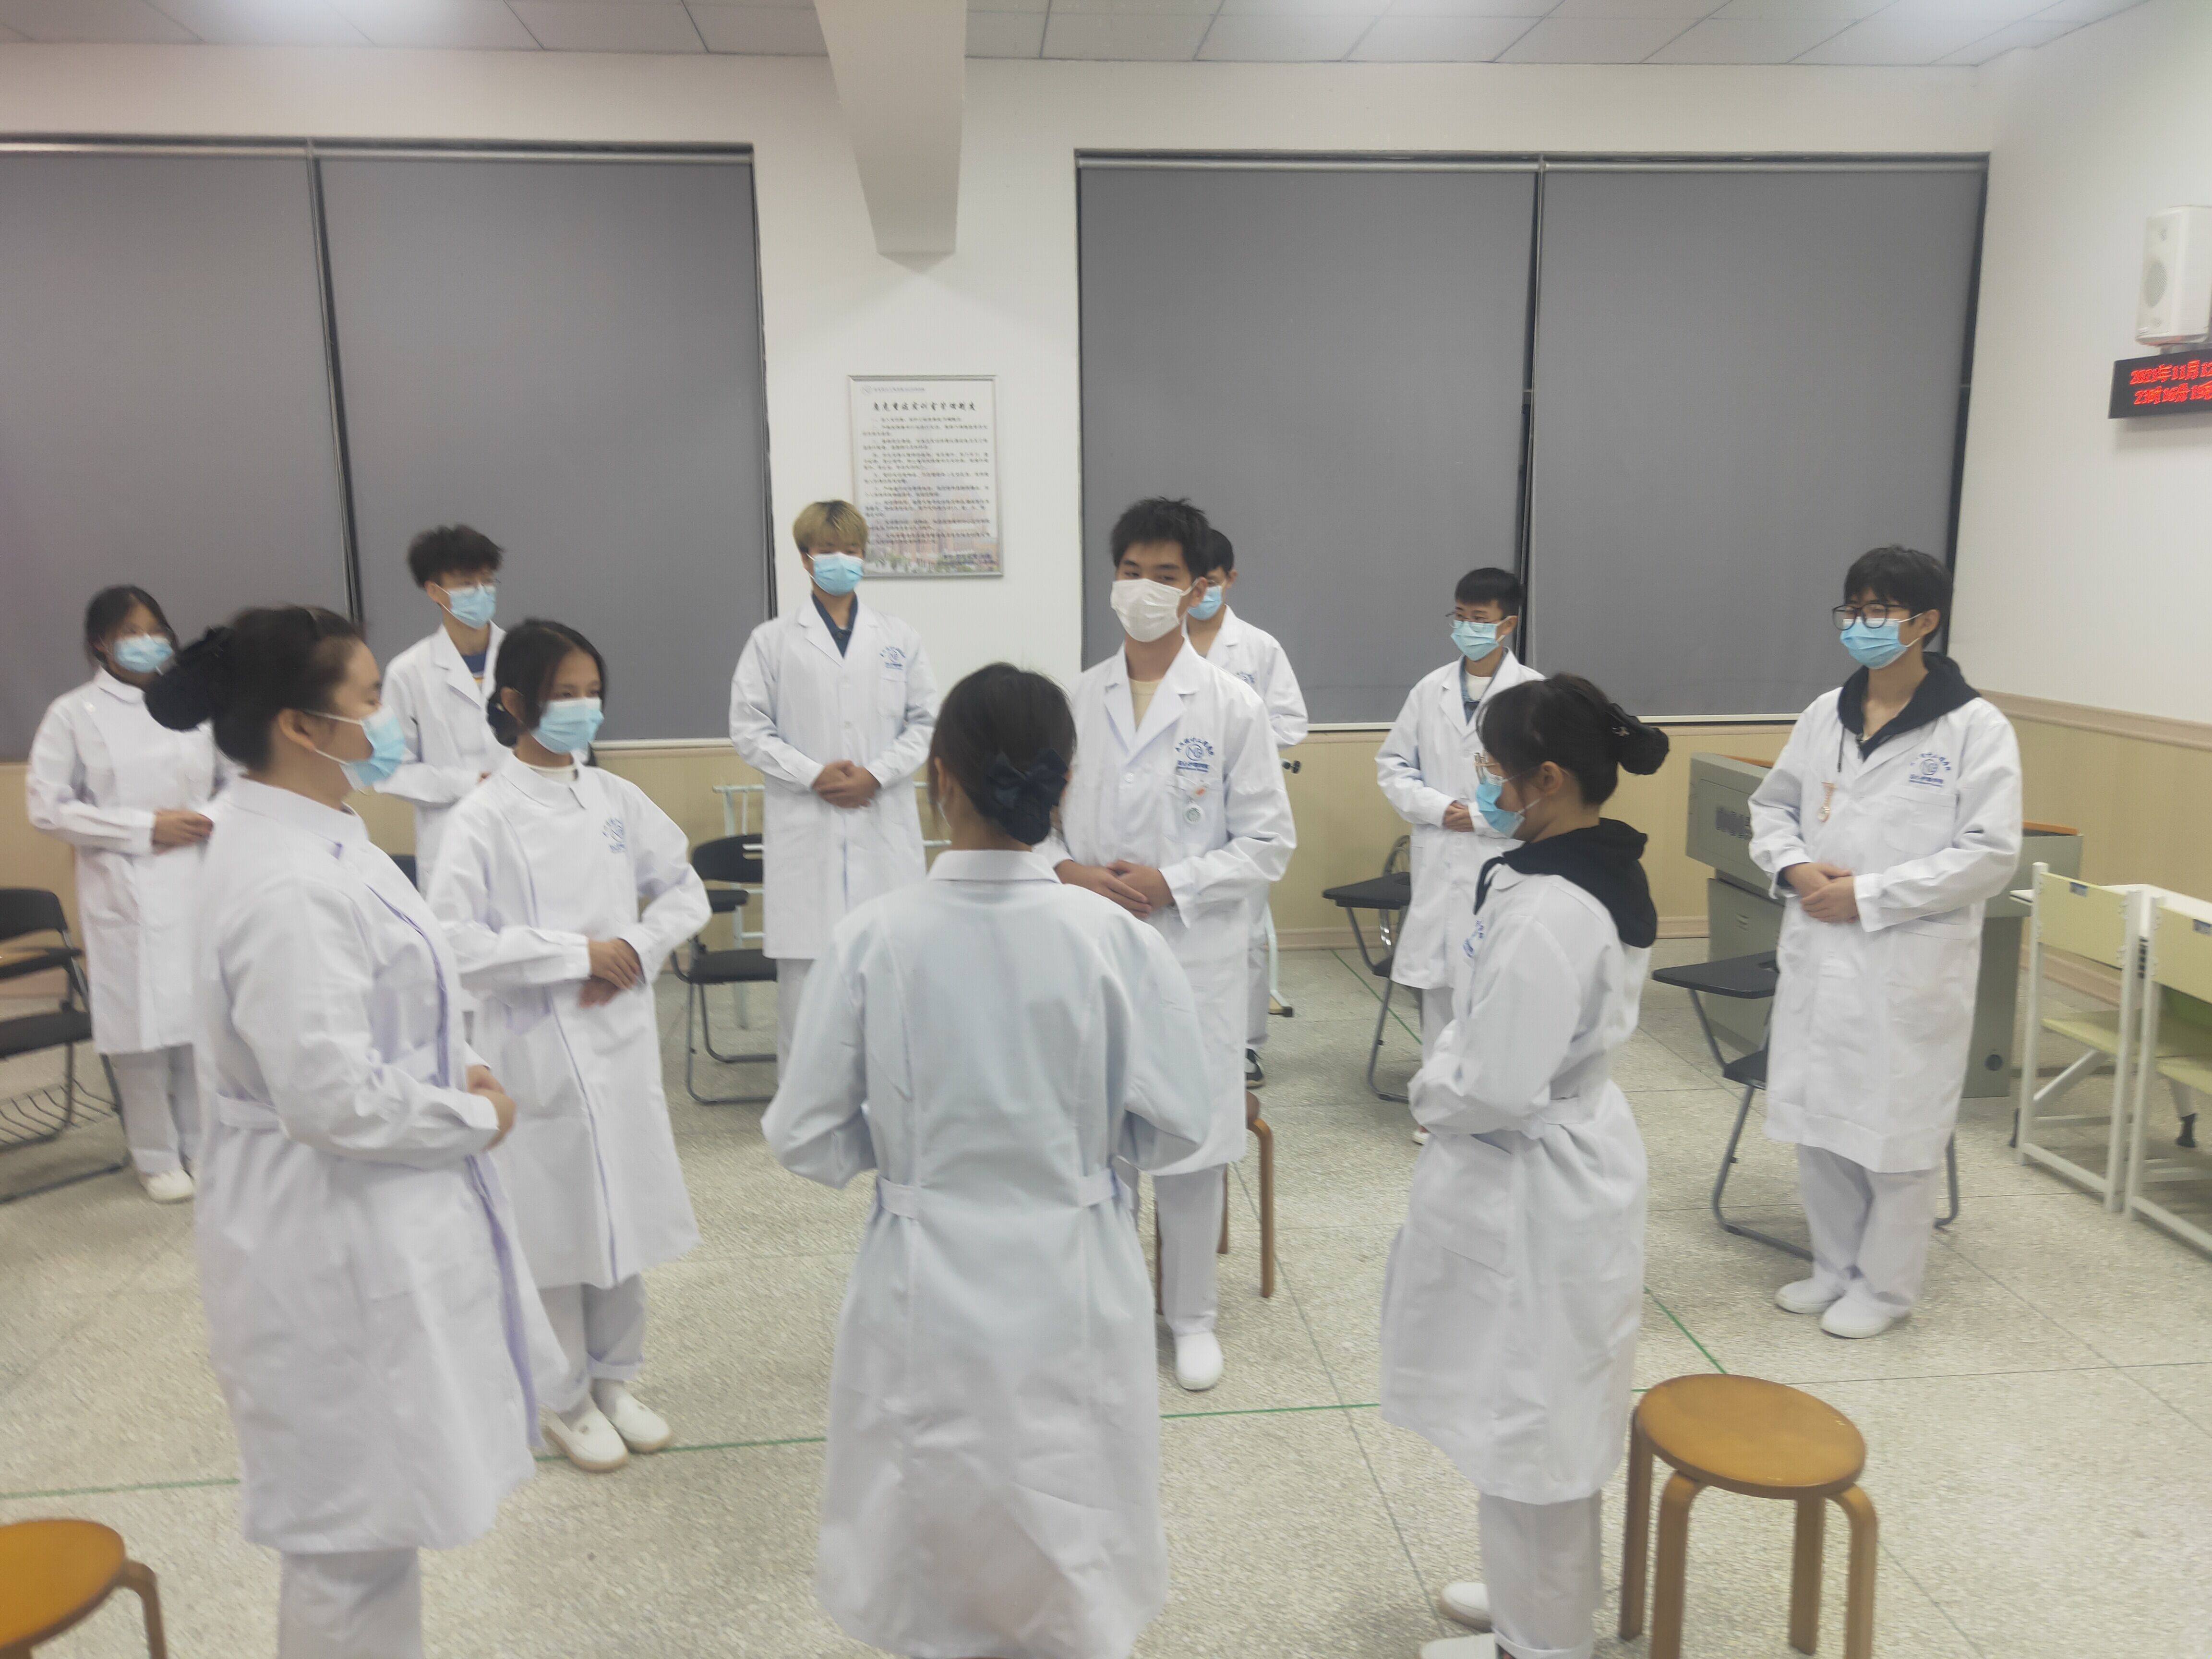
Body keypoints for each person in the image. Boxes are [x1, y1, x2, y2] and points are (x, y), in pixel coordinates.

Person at [765, 662, 1215, 1659]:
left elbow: (803, 1133)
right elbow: (1181, 1122)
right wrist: (1086, 1145)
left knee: (930, 1506)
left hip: (923, 1266)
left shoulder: (873, 939)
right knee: (1073, 1496)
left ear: (939, 778)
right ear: (1064, 786)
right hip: (1075, 1260)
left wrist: (901, 1151)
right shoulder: (1114, 940)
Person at [146, 605, 544, 1659]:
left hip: (357, 1212)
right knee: (349, 1543)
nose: (389, 716)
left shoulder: (316, 832)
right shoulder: (285, 878)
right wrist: (475, 1115)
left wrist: (451, 1057)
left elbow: (375, 1004)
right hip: (321, 1230)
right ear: (301, 725)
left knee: (375, 1525)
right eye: (371, 699)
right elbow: (327, 1096)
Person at [1380, 674, 1669, 1659]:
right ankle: (1530, 1606)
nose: (1484, 787)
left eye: (1494, 770)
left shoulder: (1550, 909)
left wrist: (1430, 1088)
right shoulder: (1567, 871)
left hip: (1532, 1173)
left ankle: (1540, 1643)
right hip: (1550, 1158)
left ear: (1547, 779)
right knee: (1537, 1413)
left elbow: (1494, 1084)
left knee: (1535, 1419)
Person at [428, 620, 710, 1474]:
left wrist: (634, 951)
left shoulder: (615, 799)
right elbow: (451, 940)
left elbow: (684, 890)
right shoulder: (482, 817)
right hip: (533, 1044)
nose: (583, 708)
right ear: (516, 703)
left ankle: (616, 1380)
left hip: (616, 1035)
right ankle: (564, 1398)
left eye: (593, 692)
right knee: (552, 1225)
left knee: (619, 1214)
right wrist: (574, 954)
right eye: (565, 694)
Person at [1046, 497, 1295, 1393]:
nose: (1144, 590)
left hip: (1194, 955)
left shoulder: (1231, 705)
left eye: (1164, 575)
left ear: (1197, 588)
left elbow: (1268, 843)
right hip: (1092, 951)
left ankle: (1191, 1317)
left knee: (1191, 1145)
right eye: (1131, 572)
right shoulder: (1073, 699)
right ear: (1111, 579)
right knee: (1097, 1144)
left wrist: (1172, 883)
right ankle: (1112, 1309)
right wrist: (1069, 871)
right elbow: (1030, 828)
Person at [1751, 545, 2022, 1341]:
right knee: (1820, 1119)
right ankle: (1832, 1268)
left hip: (1907, 958)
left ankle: (1885, 1288)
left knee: (1897, 1133)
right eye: (1853, 609)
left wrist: (1866, 895)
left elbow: (1989, 855)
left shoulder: (1974, 728)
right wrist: (1795, 867)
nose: (1860, 625)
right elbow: (1772, 808)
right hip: (1818, 944)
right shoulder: (1822, 715)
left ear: (1925, 621)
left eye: (1879, 610)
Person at [26, 586, 222, 1202]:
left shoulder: (195, 705)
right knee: (140, 1034)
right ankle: (155, 1154)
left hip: (198, 874)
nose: (148, 641)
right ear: (101, 644)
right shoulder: (73, 713)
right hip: (125, 887)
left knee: (198, 1025)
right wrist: (143, 828)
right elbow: (48, 807)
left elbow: (236, 781)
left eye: (156, 628)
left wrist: (207, 818)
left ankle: (203, 1145)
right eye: (131, 632)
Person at [728, 500, 938, 1071]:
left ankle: (893, 1099)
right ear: (805, 558)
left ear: (863, 556)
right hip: (808, 830)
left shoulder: (900, 638)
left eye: (851, 550)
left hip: (881, 819)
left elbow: (926, 723)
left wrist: (877, 774)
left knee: (891, 980)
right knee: (808, 994)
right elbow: (749, 728)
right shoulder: (771, 641)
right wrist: (811, 773)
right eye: (827, 550)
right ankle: (806, 1103)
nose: (841, 560)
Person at [1377, 567, 1544, 1140]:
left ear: (1508, 624)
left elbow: (1541, 785)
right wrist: (1438, 807)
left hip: (1500, 859)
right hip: (1440, 854)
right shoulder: (1430, 690)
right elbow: (1393, 766)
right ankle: (1438, 1107)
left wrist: (1473, 816)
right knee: (1441, 991)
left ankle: (1489, 1105)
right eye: (1460, 617)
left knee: (1492, 987)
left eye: (1479, 619)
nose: (1467, 627)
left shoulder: (1533, 694)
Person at [1186, 526, 1309, 1088]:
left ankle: (1246, 1045)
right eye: (1192, 582)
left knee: (1248, 929)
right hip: (1182, 799)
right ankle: (1184, 1034)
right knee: (1182, 921)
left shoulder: (1258, 647)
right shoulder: (1162, 642)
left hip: (1243, 800)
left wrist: (1237, 739)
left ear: (1229, 579)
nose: (1201, 592)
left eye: (1210, 581)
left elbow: (1292, 721)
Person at [378, 524, 508, 883]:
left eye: (487, 580)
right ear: (434, 591)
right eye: (467, 583)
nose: (481, 591)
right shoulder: (408, 672)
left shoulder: (527, 658)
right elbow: (391, 769)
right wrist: (465, 783)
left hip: (527, 830)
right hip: (451, 843)